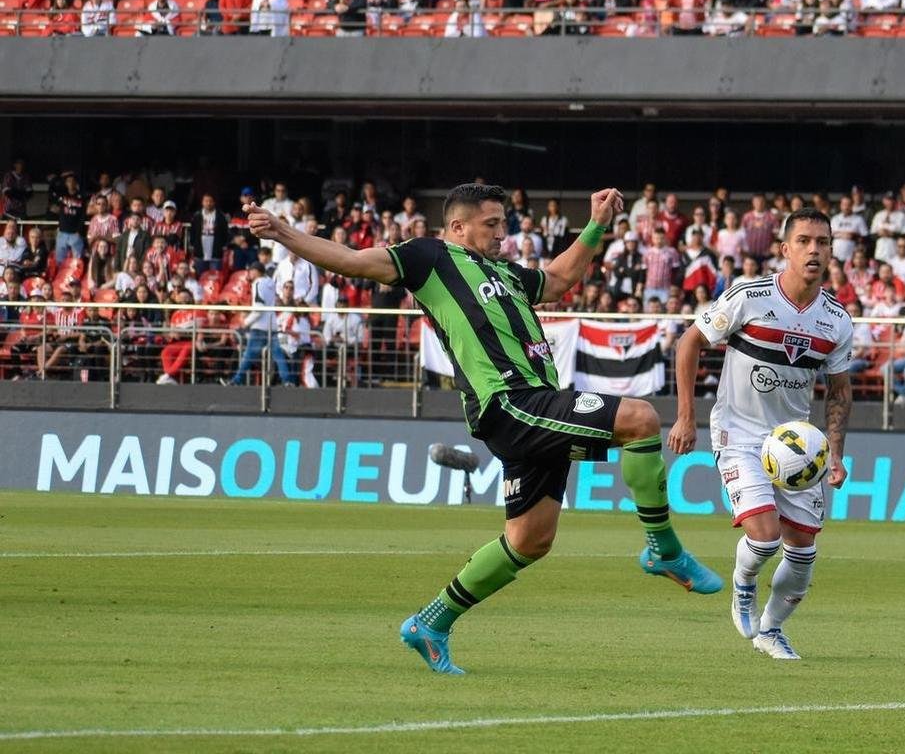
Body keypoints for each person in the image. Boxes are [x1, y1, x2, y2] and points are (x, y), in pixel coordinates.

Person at [247, 184, 721, 674]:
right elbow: (351, 259)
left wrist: (598, 223)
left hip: (534, 403)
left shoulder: (505, 272)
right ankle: (663, 550)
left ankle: (430, 624)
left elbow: (558, 280)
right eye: (491, 224)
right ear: (458, 227)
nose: (502, 233)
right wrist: (283, 232)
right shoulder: (430, 257)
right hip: (509, 401)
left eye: (503, 223)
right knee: (639, 418)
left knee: (529, 540)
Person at [669, 208, 853, 661]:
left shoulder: (837, 320)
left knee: (804, 550)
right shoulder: (748, 297)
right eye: (805, 240)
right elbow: (688, 342)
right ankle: (743, 585)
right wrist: (685, 416)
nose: (815, 249)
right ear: (784, 249)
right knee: (765, 536)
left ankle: (771, 631)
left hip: (797, 446)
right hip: (739, 432)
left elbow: (839, 393)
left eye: (823, 242)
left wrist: (835, 454)